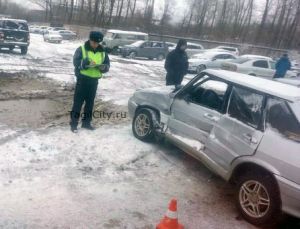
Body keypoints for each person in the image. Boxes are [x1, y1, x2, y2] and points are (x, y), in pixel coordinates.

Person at [70, 31, 110, 133]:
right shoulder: (82, 49)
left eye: (97, 43)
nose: (95, 45)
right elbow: (75, 62)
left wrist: (104, 68)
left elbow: (107, 65)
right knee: (78, 103)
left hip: (94, 81)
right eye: (94, 42)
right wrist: (84, 62)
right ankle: (74, 124)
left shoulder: (103, 51)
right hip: (82, 80)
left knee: (90, 104)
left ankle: (86, 123)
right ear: (90, 40)